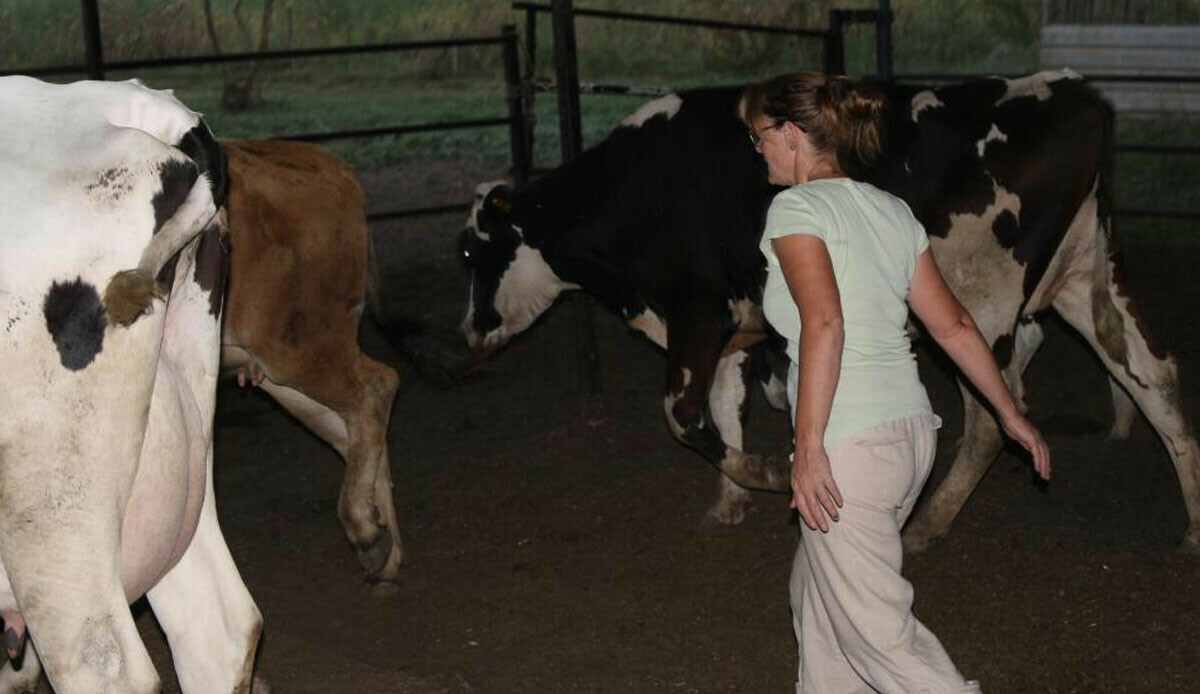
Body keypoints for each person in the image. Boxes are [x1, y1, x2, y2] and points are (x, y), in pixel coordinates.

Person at [738, 72, 1051, 694]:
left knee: (879, 638)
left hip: (849, 446)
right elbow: (954, 325)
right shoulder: (891, 210)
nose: (757, 150)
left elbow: (825, 323)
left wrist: (808, 448)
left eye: (759, 136)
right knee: (818, 605)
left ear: (791, 133)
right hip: (908, 437)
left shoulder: (796, 209)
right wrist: (1009, 413)